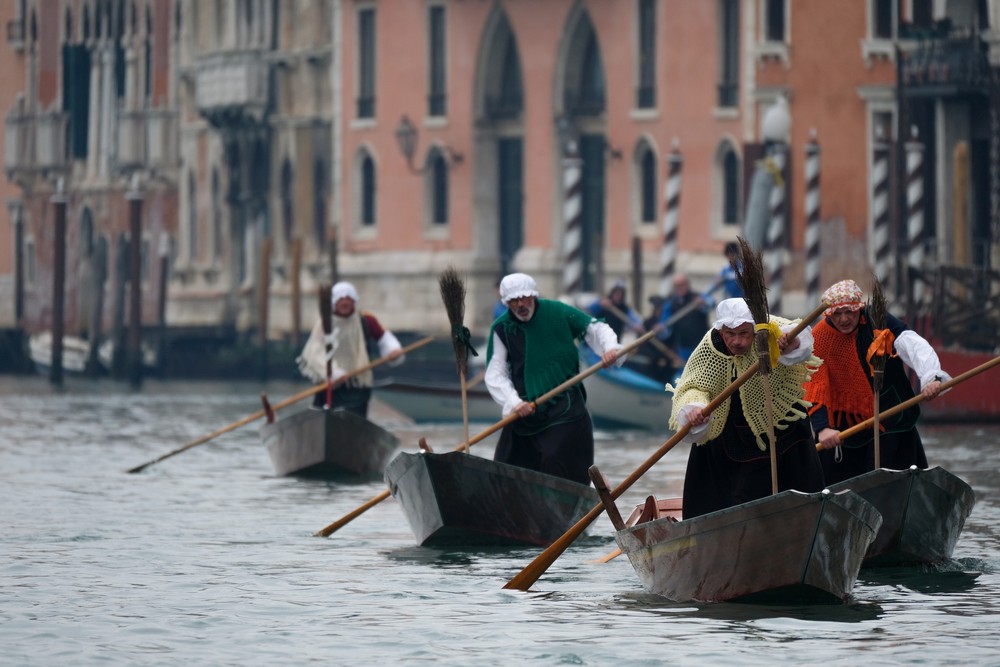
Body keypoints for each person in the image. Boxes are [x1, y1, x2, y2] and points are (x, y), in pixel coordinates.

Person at [668, 298, 825, 519]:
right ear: (721, 330)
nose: (737, 341)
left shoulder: (770, 328)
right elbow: (692, 386)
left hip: (777, 422)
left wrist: (792, 344)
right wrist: (695, 407)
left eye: (743, 334)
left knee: (794, 486)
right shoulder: (710, 345)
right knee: (722, 496)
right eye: (730, 334)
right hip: (727, 428)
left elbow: (799, 337)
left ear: (753, 328)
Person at [804, 279, 949, 484]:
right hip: (845, 427)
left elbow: (910, 342)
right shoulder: (819, 337)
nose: (844, 319)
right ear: (829, 314)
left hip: (891, 416)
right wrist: (822, 428)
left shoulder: (876, 319)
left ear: (859, 308)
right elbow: (815, 385)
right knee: (838, 480)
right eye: (837, 314)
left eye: (849, 312)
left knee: (897, 479)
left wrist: (931, 377)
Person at [485, 272, 626, 484]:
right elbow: (496, 373)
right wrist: (514, 402)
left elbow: (595, 328)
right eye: (514, 301)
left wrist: (610, 349)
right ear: (506, 302)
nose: (521, 304)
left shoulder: (558, 312)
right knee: (504, 466)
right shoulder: (501, 328)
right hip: (525, 409)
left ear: (533, 295)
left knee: (552, 458)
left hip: (564, 407)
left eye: (524, 298)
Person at [296, 281, 404, 418]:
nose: (345, 303)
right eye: (341, 299)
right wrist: (333, 373)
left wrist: (392, 350)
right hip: (330, 385)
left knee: (354, 416)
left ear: (354, 301)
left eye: (348, 299)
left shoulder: (366, 320)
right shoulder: (325, 323)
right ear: (334, 302)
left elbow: (384, 338)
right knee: (324, 414)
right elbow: (315, 351)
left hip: (357, 385)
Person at [655, 273, 711, 371]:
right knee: (685, 372)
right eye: (677, 286)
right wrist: (660, 329)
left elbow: (711, 304)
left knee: (703, 371)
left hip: (702, 345)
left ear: (687, 284)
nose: (680, 288)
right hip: (683, 346)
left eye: (682, 284)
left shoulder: (697, 297)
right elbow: (665, 328)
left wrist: (703, 303)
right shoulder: (670, 304)